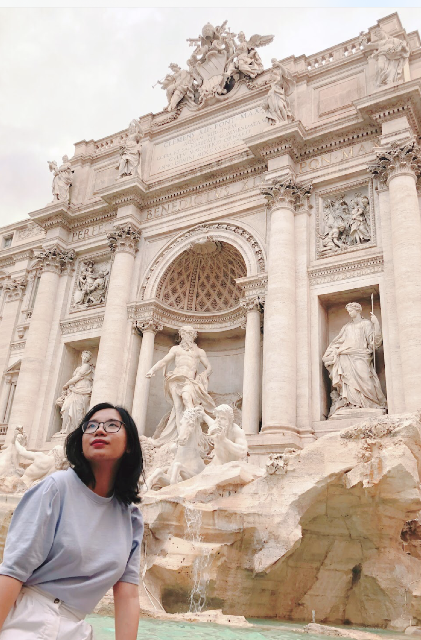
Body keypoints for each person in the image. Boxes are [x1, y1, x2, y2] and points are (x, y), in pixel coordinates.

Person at [0, 402, 144, 640]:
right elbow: (13, 571)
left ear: (129, 444)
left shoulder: (130, 517)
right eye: (91, 426)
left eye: (112, 425)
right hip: (27, 621)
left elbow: (127, 595)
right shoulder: (55, 488)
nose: (99, 430)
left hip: (76, 628)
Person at [146, 325, 215, 443]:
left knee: (187, 398)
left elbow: (209, 367)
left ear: (193, 335)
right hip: (175, 379)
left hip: (189, 381)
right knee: (177, 407)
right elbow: (164, 361)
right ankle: (180, 433)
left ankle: (193, 430)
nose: (186, 336)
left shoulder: (199, 352)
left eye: (189, 333)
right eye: (184, 333)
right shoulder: (176, 349)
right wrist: (152, 370)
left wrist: (202, 376)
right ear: (181, 335)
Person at [322, 302, 387, 417]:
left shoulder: (366, 324)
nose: (349, 313)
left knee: (366, 378)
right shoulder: (346, 327)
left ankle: (370, 403)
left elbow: (374, 343)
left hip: (361, 355)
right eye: (348, 311)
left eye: (351, 311)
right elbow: (338, 342)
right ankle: (352, 404)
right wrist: (331, 353)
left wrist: (376, 324)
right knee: (348, 382)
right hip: (345, 356)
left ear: (358, 310)